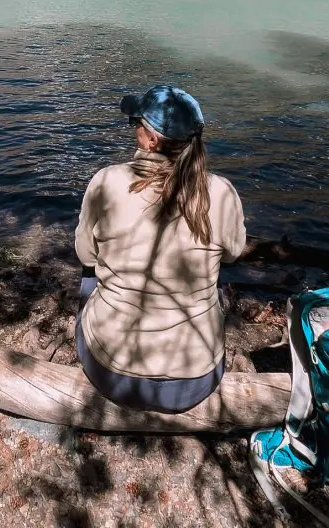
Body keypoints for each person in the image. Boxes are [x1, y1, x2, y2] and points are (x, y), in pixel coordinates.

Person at [74, 85, 245, 413]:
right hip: (196, 379)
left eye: (135, 123)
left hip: (112, 374)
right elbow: (233, 254)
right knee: (212, 271)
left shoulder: (106, 182)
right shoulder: (222, 192)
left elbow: (85, 255)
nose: (133, 129)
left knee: (89, 272)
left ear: (151, 140)